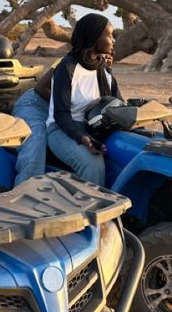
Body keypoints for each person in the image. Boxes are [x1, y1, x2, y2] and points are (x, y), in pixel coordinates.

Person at [46, 14, 121, 186]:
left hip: (95, 126)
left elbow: (116, 102)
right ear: (94, 38)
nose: (113, 40)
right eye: (109, 35)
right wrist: (82, 137)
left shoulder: (103, 67)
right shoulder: (67, 68)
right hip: (62, 129)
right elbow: (61, 114)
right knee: (93, 164)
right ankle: (92, 210)